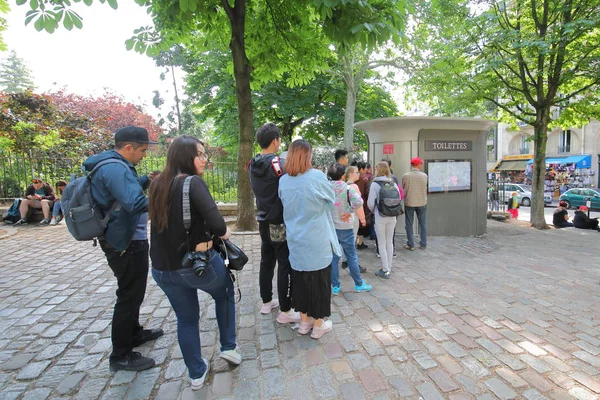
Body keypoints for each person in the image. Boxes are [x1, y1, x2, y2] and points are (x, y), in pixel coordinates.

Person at [149, 135, 241, 390]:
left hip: (163, 269)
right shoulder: (192, 183)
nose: (204, 159)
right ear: (184, 156)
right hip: (196, 266)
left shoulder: (157, 184)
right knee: (224, 294)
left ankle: (196, 372)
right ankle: (229, 347)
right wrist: (226, 234)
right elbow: (220, 226)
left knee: (186, 319)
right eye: (199, 154)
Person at [82, 126, 163, 372]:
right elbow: (134, 202)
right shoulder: (114, 168)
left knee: (134, 292)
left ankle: (134, 332)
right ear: (128, 147)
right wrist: (166, 193)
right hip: (125, 243)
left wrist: (145, 181)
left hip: (126, 238)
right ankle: (121, 355)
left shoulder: (114, 165)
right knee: (129, 296)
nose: (144, 155)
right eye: (142, 150)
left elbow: (120, 194)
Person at [279, 139, 341, 339]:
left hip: (295, 238)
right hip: (316, 237)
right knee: (320, 281)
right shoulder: (316, 176)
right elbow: (331, 198)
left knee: (300, 280)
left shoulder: (283, 180)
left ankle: (304, 322)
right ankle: (319, 324)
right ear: (308, 155)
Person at [249, 123, 300, 324]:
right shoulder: (278, 164)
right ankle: (286, 310)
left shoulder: (252, 163)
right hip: (278, 221)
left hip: (262, 218)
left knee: (266, 260)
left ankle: (267, 301)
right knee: (284, 263)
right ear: (275, 141)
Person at [328, 163, 371, 294]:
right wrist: (348, 211)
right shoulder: (347, 188)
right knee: (351, 256)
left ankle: (335, 286)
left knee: (334, 258)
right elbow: (359, 202)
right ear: (343, 175)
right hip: (346, 227)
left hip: (332, 228)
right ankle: (358, 284)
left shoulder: (326, 188)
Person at [368, 162, 403, 279]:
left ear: (378, 170)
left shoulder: (375, 184)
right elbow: (399, 198)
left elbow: (370, 203)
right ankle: (389, 267)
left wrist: (375, 211)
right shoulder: (393, 183)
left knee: (381, 243)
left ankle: (385, 269)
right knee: (390, 242)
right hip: (393, 216)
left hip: (380, 216)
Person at [402, 157, 428, 251]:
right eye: (420, 163)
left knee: (409, 223)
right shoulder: (424, 176)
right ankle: (423, 243)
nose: (421, 165)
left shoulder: (406, 176)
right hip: (421, 202)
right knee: (423, 223)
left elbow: (404, 187)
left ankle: (411, 244)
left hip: (409, 202)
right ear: (418, 165)